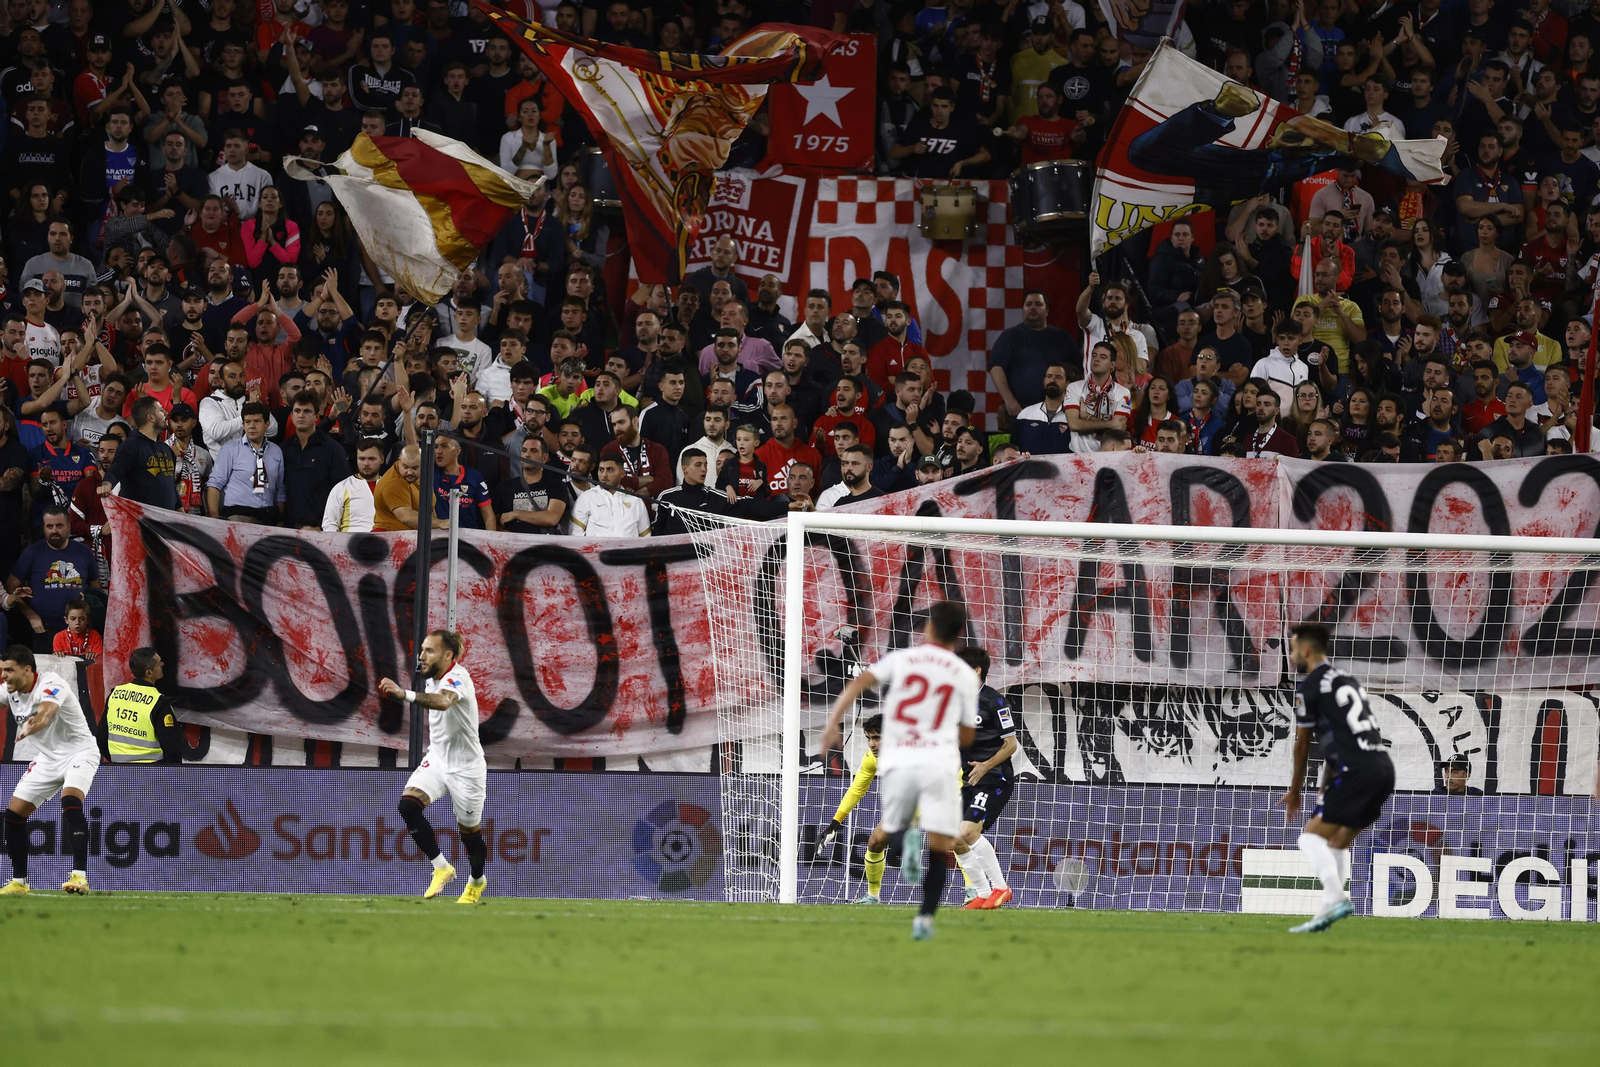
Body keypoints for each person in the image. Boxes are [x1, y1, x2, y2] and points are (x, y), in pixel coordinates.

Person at [820, 600, 979, 941]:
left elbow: (859, 683)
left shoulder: (904, 659)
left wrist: (833, 722)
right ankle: (924, 918)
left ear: (928, 628)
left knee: (889, 828)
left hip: (900, 762)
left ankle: (904, 832)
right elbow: (967, 736)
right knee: (940, 847)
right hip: (938, 764)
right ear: (960, 634)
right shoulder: (964, 675)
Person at [1277, 621, 1396, 933]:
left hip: (1355, 771)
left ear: (1305, 649)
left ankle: (1336, 897)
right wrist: (1326, 784)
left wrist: (1295, 790)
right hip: (1382, 768)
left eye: (1292, 649)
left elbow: (1302, 746)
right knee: (1337, 842)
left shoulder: (1311, 687)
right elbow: (1340, 736)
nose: (1290, 655)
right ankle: (1326, 915)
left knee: (1309, 837)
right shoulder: (1348, 680)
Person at [378, 629, 488, 904]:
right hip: (437, 758)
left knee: (469, 835)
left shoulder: (457, 677)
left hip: (467, 768)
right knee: (407, 806)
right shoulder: (430, 675)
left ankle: (476, 880)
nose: (422, 656)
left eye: (429, 650)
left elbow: (442, 702)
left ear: (448, 655)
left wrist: (404, 694)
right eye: (422, 650)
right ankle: (441, 867)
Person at [1, 644, 100, 895]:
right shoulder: (10, 690)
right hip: (47, 758)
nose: (4, 676)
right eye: (2, 670)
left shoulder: (51, 683)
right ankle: (19, 883)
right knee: (13, 816)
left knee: (70, 800)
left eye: (9, 670)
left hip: (79, 751)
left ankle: (79, 877)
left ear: (27, 670)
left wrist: (31, 725)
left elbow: (45, 713)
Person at [951, 645, 1016, 911]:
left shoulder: (994, 700)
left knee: (967, 831)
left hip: (994, 778)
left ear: (976, 671)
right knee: (953, 838)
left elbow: (1011, 745)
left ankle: (1001, 887)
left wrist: (986, 766)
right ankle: (982, 892)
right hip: (970, 779)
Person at [8, 507, 100, 651]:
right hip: (43, 630)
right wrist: (31, 616)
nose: (54, 531)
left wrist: (89, 601)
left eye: (59, 526)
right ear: (43, 527)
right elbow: (10, 587)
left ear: (68, 527)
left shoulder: (84, 552)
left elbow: (97, 590)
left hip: (79, 631)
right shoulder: (32, 552)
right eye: (50, 526)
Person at [103, 646, 182, 765]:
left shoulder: (115, 695)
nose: (163, 664)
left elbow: (101, 737)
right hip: (152, 776)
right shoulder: (159, 703)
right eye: (159, 663)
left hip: (120, 773)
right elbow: (172, 749)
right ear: (149, 673)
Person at [206, 401, 284, 523]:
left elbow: (280, 490)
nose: (251, 426)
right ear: (243, 425)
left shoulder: (276, 451)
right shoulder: (230, 449)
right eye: (247, 422)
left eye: (257, 421)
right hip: (238, 516)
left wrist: (280, 520)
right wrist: (215, 520)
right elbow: (214, 484)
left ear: (267, 424)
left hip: (268, 517)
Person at [494, 434, 570, 534]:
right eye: (524, 450)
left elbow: (552, 518)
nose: (527, 455)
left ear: (545, 458)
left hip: (545, 546)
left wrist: (516, 514)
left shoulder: (557, 486)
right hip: (513, 546)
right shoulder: (505, 487)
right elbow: (495, 522)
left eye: (533, 451)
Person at [1064, 341, 1132, 453]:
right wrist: (1109, 423)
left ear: (1112, 365)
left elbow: (1118, 428)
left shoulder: (1123, 392)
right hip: (1077, 454)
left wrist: (1086, 417)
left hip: (1108, 456)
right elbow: (1074, 424)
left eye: (1103, 357)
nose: (1096, 359)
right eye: (1094, 355)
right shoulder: (1074, 387)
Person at [570, 455, 649, 537]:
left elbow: (645, 537)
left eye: (610, 470)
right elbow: (576, 535)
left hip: (629, 549)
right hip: (597, 549)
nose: (604, 475)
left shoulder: (635, 500)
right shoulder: (586, 498)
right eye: (601, 470)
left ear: (622, 473)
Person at [322, 440, 384, 532]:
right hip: (350, 544)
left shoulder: (391, 487)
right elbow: (329, 524)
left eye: (371, 459)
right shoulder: (342, 488)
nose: (366, 463)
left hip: (386, 543)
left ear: (382, 459)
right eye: (362, 459)